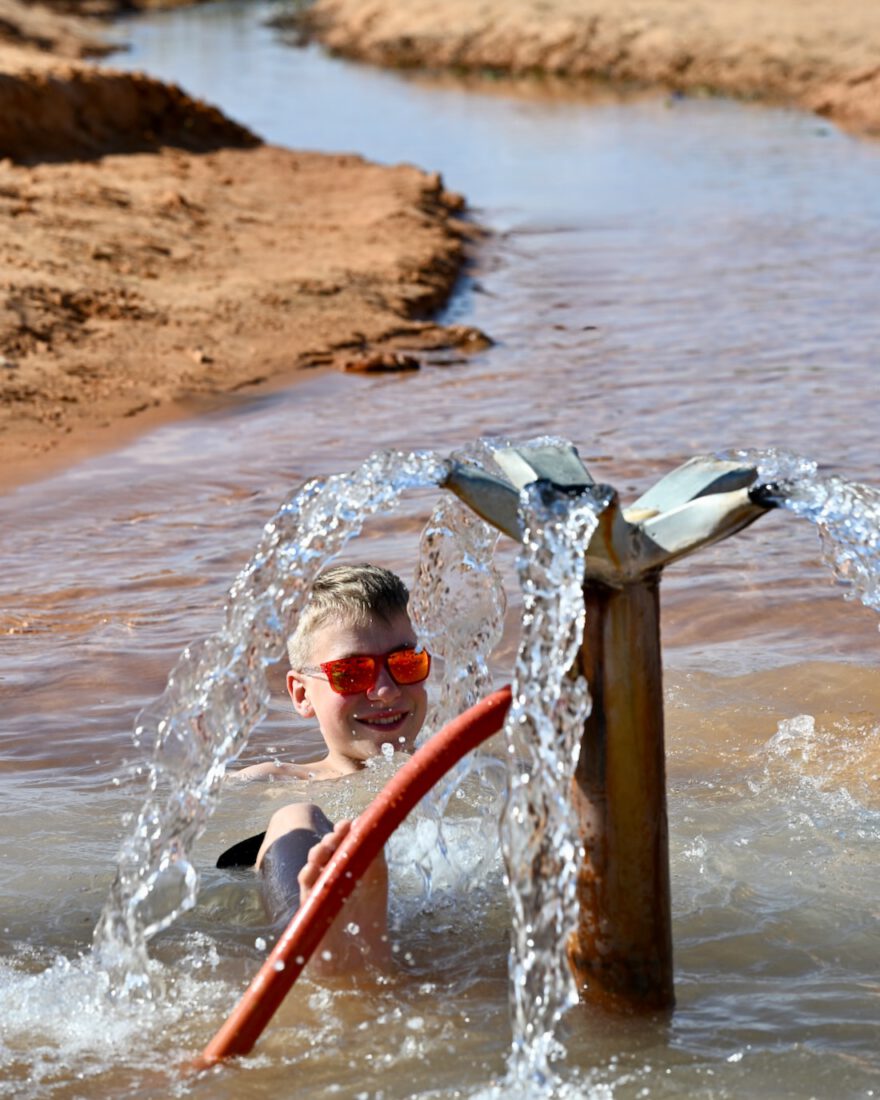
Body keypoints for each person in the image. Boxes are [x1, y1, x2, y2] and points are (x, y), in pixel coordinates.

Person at [222, 563, 431, 971]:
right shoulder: (272, 779)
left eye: (406, 662)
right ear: (302, 694)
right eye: (351, 673)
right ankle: (316, 935)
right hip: (298, 897)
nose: (386, 691)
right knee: (295, 817)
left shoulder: (464, 768)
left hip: (420, 925)